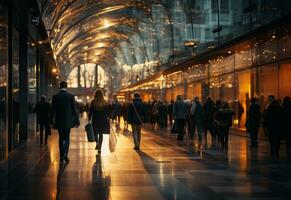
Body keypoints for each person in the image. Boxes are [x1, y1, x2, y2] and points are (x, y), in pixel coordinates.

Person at [51, 81, 80, 163]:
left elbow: (52, 110)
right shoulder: (70, 96)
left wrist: (51, 121)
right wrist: (77, 121)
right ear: (66, 87)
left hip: (59, 120)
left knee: (60, 138)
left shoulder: (55, 97)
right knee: (67, 137)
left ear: (60, 87)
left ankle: (61, 155)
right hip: (68, 121)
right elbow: (74, 110)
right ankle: (65, 154)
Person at [89, 89, 110, 154]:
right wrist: (108, 118)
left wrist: (89, 119)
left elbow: (91, 111)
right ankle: (100, 148)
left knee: (95, 132)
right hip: (103, 119)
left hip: (95, 119)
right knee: (101, 134)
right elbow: (107, 111)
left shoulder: (93, 102)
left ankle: (97, 142)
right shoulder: (104, 102)